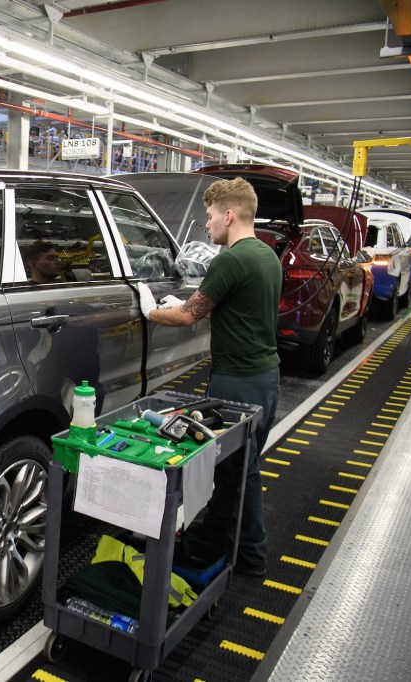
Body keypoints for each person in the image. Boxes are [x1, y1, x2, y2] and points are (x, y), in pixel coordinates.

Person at [136, 176, 280, 577]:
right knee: (241, 469)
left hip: (237, 382)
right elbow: (231, 304)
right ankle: (226, 540)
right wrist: (186, 301)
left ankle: (250, 554)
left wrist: (151, 309)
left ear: (229, 215)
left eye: (211, 216)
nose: (207, 224)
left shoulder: (231, 260)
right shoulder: (266, 255)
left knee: (235, 471)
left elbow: (186, 316)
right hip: (266, 377)